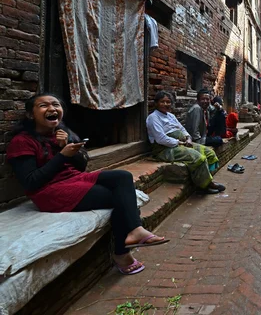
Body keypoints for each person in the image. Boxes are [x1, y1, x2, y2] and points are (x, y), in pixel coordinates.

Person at [7, 93, 168, 275]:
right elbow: (31, 182)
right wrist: (62, 156)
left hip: (74, 179)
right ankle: (122, 254)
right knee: (120, 200)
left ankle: (136, 230)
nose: (52, 109)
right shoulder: (22, 142)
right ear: (30, 115)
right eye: (44, 106)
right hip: (49, 192)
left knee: (122, 177)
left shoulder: (61, 134)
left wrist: (65, 146)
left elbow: (81, 165)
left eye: (56, 105)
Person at [147, 91, 225, 194]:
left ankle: (207, 180)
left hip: (182, 144)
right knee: (198, 158)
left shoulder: (170, 116)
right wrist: (180, 143)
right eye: (163, 102)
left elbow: (182, 128)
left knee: (208, 153)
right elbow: (161, 139)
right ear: (156, 103)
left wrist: (188, 138)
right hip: (166, 149)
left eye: (168, 102)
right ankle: (204, 186)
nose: (166, 104)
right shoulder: (153, 118)